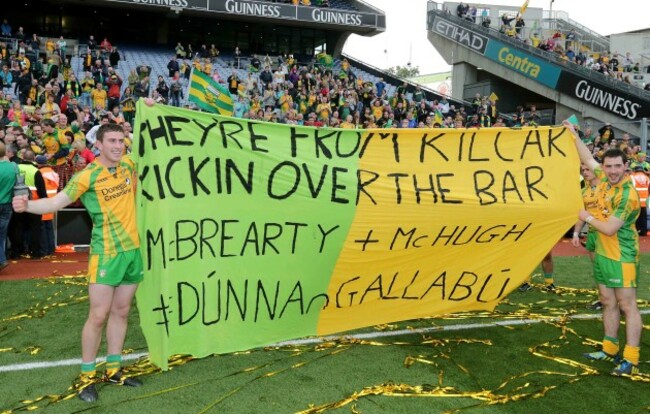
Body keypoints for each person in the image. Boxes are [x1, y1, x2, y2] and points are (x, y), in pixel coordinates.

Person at [12, 123, 143, 402]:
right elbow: (56, 202)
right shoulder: (88, 175)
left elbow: (154, 142)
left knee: (122, 311)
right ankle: (86, 377)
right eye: (112, 141)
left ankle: (114, 369)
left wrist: (149, 107)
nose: (118, 146)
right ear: (99, 144)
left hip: (133, 251)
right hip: (106, 253)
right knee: (98, 315)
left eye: (121, 140)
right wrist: (29, 207)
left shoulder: (130, 165)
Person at [565, 120, 642, 376]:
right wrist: (574, 134)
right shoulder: (605, 181)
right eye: (608, 166)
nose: (611, 171)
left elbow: (609, 229)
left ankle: (630, 358)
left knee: (627, 305)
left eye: (617, 166)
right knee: (608, 301)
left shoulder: (628, 195)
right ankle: (609, 348)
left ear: (626, 167)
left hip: (622, 256)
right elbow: (588, 159)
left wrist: (583, 217)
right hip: (602, 254)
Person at [571, 163, 603, 310]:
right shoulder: (584, 191)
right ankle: (603, 298)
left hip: (607, 234)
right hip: (592, 233)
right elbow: (581, 215)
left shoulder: (606, 187)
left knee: (607, 268)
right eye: (582, 170)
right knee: (597, 269)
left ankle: (616, 299)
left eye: (587, 169)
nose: (585, 172)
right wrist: (576, 233)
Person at [0, 141, 15, 271]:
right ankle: (2, 258)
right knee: (2, 234)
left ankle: (2, 259)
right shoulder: (12, 167)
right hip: (7, 204)